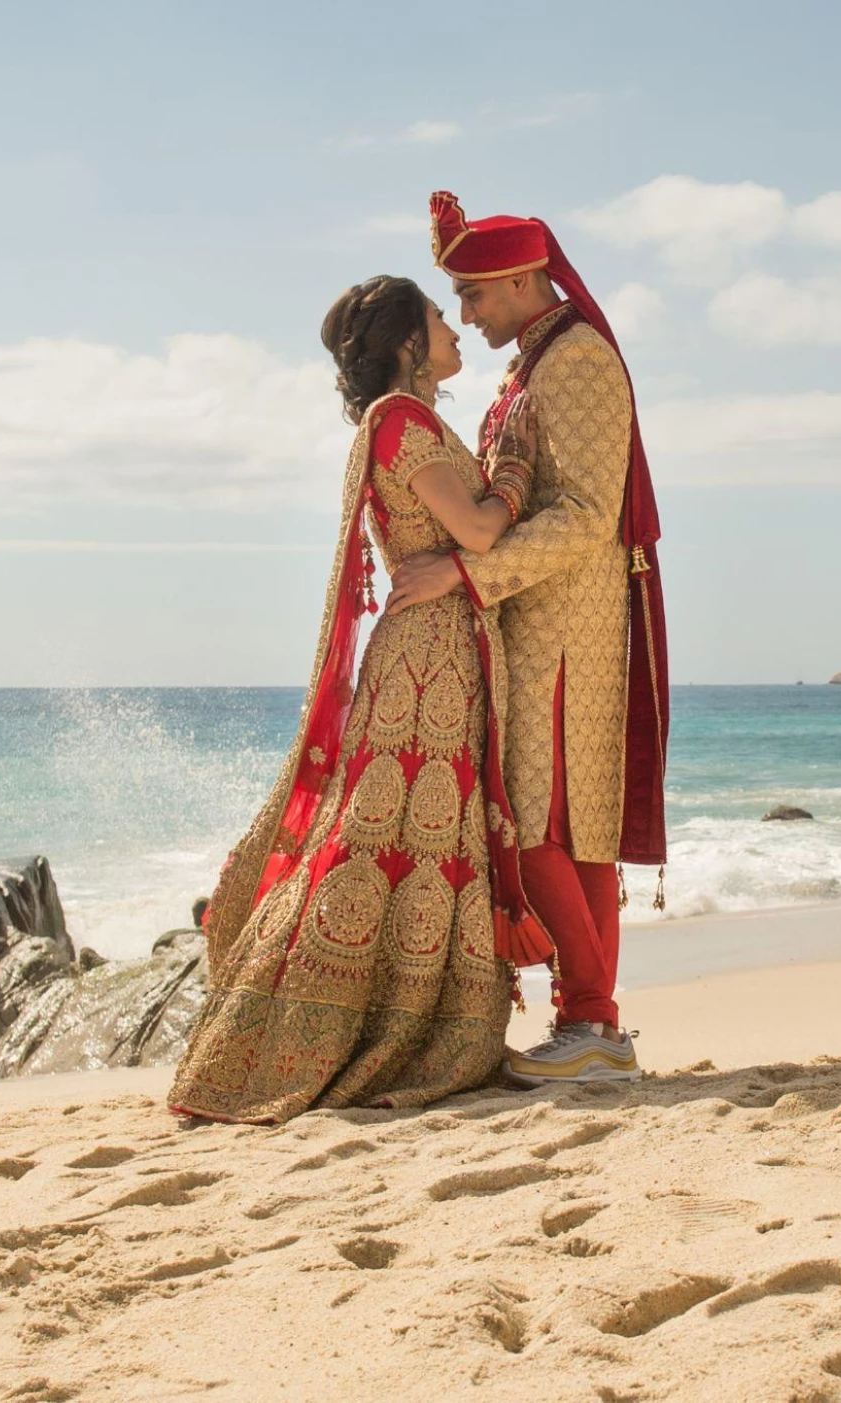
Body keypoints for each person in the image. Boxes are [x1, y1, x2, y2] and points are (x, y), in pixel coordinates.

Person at [166, 276, 553, 1124]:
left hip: (445, 649)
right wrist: (516, 478)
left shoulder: (413, 421)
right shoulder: (402, 422)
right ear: (410, 344)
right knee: (377, 845)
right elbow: (482, 531)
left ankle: (410, 1025)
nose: (454, 327)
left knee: (416, 844)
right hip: (425, 659)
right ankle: (314, 1038)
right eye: (439, 317)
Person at [383, 192, 670, 1086]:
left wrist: (467, 577)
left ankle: (592, 1019)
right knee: (563, 825)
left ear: (518, 277)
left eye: (473, 295)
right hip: (539, 624)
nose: (466, 315)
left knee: (543, 821)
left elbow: (586, 514)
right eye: (455, 302)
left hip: (566, 628)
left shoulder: (576, 361)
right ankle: (592, 1025)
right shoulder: (535, 366)